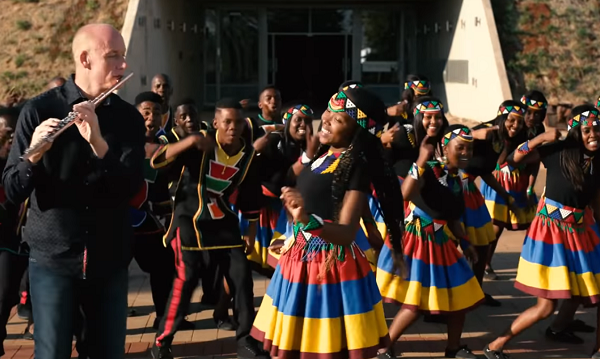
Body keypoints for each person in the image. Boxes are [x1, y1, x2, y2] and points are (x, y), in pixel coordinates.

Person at [2, 23, 145, 359]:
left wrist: (98, 143)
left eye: (123, 56)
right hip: (52, 261)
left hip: (109, 260)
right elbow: (11, 191)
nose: (123, 65)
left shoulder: (128, 119)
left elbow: (130, 189)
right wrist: (33, 155)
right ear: (85, 59)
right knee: (51, 354)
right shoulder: (39, 110)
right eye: (113, 56)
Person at [251, 86, 405, 359]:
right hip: (300, 260)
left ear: (357, 130)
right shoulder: (325, 154)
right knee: (296, 347)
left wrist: (306, 219)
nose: (327, 119)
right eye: (330, 112)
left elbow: (346, 233)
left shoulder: (355, 164)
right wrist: (295, 217)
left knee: (323, 348)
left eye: (339, 118)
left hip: (327, 266)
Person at [150, 98, 268, 359]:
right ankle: (162, 341)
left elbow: (249, 197)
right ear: (216, 123)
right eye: (227, 122)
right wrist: (189, 141)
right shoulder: (201, 142)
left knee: (242, 278)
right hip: (188, 221)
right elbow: (157, 160)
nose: (233, 127)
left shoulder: (247, 154)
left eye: (238, 122)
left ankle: (245, 339)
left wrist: (249, 233)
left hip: (223, 223)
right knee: (186, 280)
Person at [483, 105, 600, 359]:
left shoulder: (597, 162)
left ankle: (581, 342)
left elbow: (596, 204)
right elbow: (511, 160)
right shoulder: (559, 151)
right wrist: (540, 138)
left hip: (580, 232)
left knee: (588, 290)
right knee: (546, 306)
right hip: (551, 234)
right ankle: (496, 345)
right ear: (576, 132)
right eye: (587, 130)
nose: (593, 134)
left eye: (597, 129)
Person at [0, 106, 28, 358]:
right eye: (6, 132)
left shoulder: (22, 163)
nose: (11, 139)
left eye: (14, 134)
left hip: (9, 241)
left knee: (6, 293)